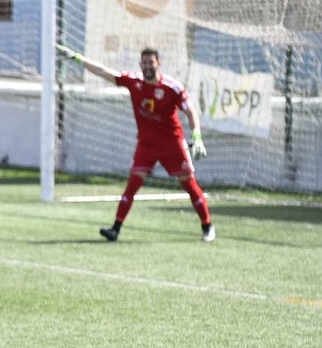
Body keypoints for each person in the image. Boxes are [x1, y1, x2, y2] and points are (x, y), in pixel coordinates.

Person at [58, 45, 214, 243]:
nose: (148, 66)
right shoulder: (134, 82)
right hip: (146, 145)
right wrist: (78, 58)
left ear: (158, 63)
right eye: (145, 62)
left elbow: (191, 112)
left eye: (151, 62)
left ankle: (207, 226)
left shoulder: (172, 87)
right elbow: (104, 72)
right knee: (132, 185)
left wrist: (197, 137)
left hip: (171, 144)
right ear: (140, 64)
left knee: (189, 185)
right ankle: (115, 229)